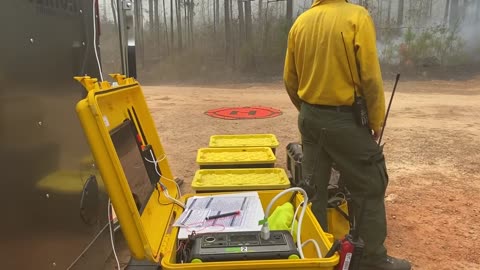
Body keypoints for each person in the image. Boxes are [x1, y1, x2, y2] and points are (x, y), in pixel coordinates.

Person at [283, 1, 411, 270]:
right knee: (371, 183)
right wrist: (375, 119)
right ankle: (374, 259)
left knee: (313, 190)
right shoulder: (356, 17)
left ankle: (317, 255)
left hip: (309, 117)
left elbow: (290, 79)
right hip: (344, 119)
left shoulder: (300, 24)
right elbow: (371, 77)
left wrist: (309, 111)